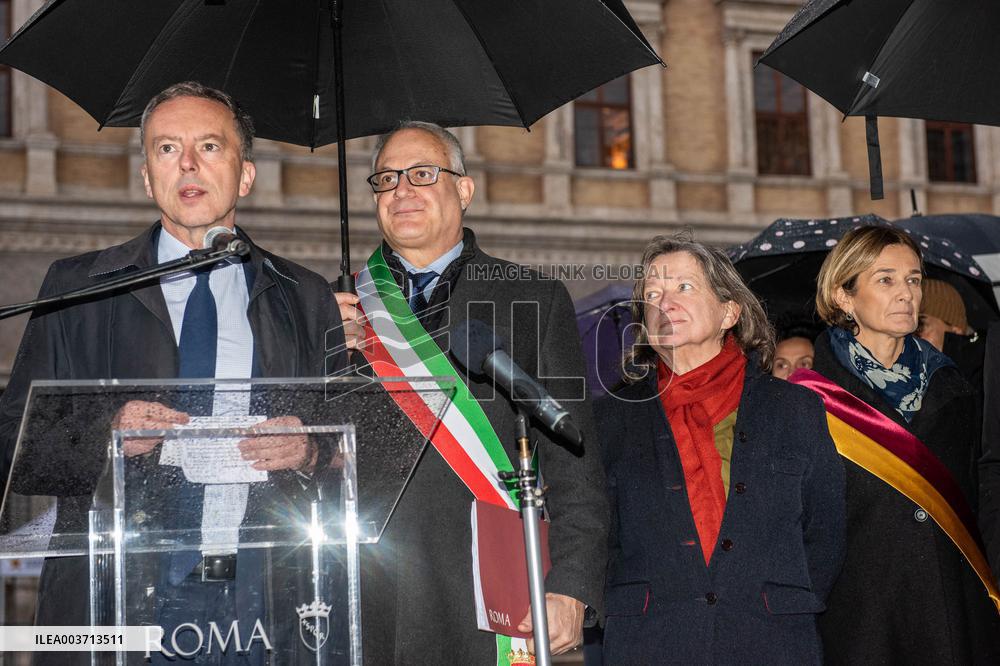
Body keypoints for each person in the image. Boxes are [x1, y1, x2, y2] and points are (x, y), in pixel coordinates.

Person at [0, 82, 347, 663]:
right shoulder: (79, 289)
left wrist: (310, 447)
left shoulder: (305, 298)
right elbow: (13, 437)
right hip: (113, 602)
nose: (187, 163)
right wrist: (108, 431)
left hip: (262, 602)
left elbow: (354, 449)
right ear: (146, 176)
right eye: (166, 148)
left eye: (209, 146)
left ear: (245, 175)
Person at [334, 121, 607, 664]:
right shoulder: (333, 308)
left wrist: (572, 585)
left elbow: (576, 465)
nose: (401, 191)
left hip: (490, 594)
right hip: (369, 594)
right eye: (386, 179)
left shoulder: (536, 299)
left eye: (422, 173)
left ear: (463, 189)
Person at [595, 235, 845, 664]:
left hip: (772, 643)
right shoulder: (610, 419)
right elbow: (597, 535)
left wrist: (776, 600)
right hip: (649, 645)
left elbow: (825, 534)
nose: (664, 303)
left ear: (730, 311)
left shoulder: (796, 411)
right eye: (652, 294)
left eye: (683, 288)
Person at [806, 225, 999, 665]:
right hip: (856, 624)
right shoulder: (806, 399)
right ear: (843, 295)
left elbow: (981, 498)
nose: (906, 293)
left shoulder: (954, 388)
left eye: (913, 279)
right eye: (885, 279)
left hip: (951, 613)